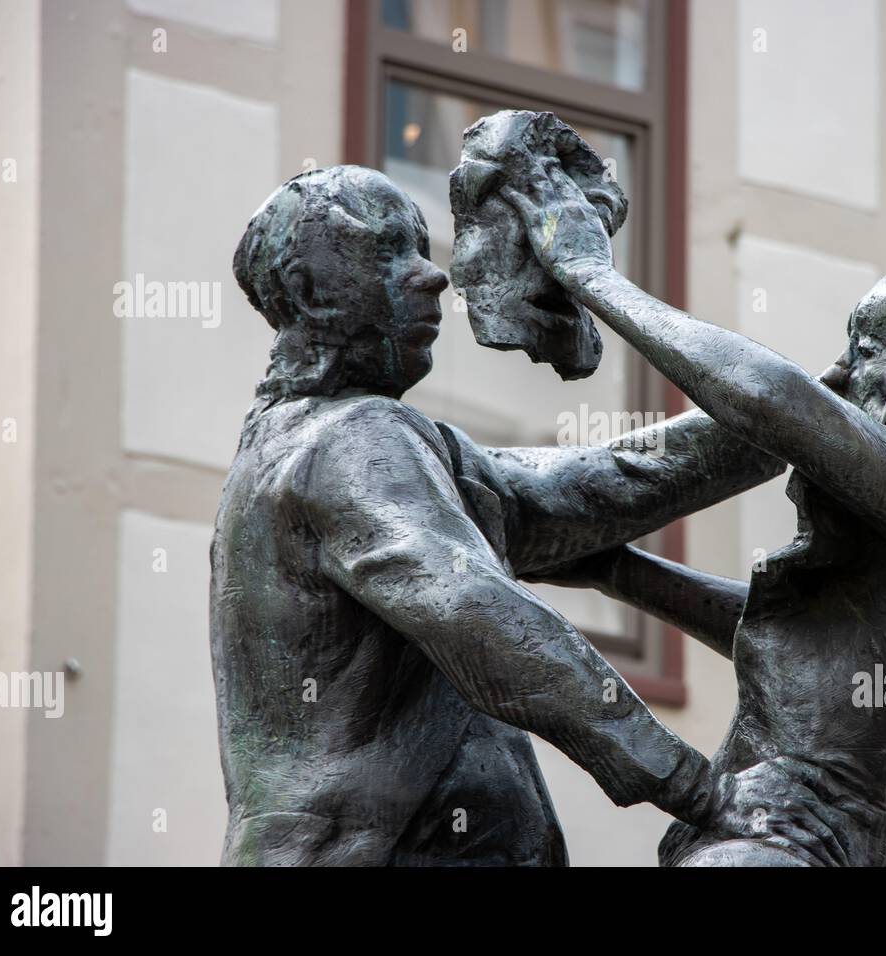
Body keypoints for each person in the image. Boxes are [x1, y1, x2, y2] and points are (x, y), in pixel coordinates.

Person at [210, 165, 835, 865]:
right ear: (309, 292)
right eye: (388, 252)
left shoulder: (343, 446)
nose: (432, 275)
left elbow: (604, 485)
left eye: (421, 247)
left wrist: (827, 410)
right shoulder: (351, 440)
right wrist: (691, 784)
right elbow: (476, 613)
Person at [502, 159, 886, 866]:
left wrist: (588, 273)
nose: (877, 374)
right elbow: (809, 660)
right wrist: (618, 572)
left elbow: (770, 398)